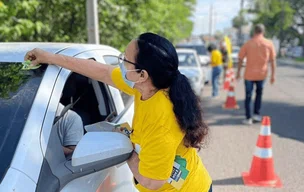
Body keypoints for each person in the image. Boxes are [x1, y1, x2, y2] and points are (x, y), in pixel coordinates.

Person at [25, 32, 212, 192]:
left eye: (125, 59)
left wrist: (126, 150)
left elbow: (152, 182)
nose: (120, 62)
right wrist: (49, 57)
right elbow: (103, 72)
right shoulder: (147, 86)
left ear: (142, 75)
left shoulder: (162, 120)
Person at [236, 24, 277, 125]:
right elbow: (273, 60)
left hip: (249, 75)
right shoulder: (269, 44)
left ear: (254, 32)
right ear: (263, 32)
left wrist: (238, 72)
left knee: (248, 96)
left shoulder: (248, 44)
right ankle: (256, 114)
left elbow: (240, 58)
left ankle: (248, 118)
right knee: (259, 94)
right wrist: (273, 75)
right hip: (262, 74)